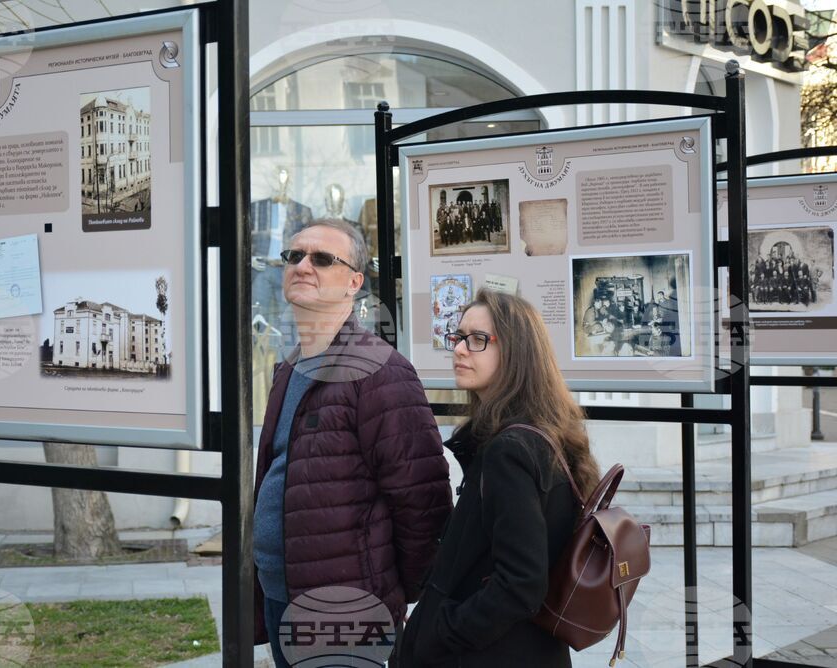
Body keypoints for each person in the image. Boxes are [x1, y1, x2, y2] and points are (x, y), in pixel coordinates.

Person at [253, 218, 452, 667]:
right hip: (281, 596)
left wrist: (393, 595)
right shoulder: (287, 369)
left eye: (323, 259)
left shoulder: (381, 371)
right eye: (294, 256)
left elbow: (422, 502)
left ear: (354, 283)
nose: (303, 265)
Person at [396, 290, 600, 667]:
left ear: (517, 352)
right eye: (458, 337)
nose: (459, 349)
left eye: (478, 340)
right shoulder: (546, 433)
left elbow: (521, 583)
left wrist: (444, 630)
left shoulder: (510, 450)